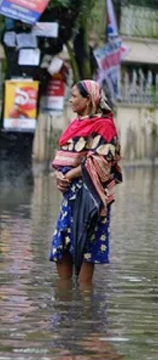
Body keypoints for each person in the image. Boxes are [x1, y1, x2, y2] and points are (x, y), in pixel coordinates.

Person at [49, 80, 122, 284]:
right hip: (70, 195)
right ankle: (65, 300)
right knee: (62, 245)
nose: (70, 100)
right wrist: (59, 175)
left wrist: (69, 175)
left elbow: (100, 161)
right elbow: (64, 156)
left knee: (86, 246)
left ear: (88, 99)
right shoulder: (77, 123)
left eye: (74, 96)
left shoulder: (104, 126)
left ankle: (84, 305)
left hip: (92, 195)